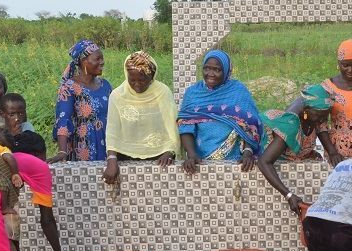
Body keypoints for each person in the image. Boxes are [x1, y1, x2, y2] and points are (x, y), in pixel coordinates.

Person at [178, 49, 263, 175]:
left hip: (236, 159)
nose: (210, 74)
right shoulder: (193, 93)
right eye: (207, 68)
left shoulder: (238, 92)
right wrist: (191, 155)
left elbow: (250, 126)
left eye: (217, 70)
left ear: (227, 71)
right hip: (200, 159)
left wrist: (247, 153)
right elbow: (185, 126)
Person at [103, 51, 179, 184]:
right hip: (125, 154)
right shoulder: (118, 95)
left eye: (142, 80)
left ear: (152, 77)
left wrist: (169, 151)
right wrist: (112, 159)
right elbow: (112, 130)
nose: (137, 84)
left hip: (159, 155)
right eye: (132, 80)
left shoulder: (163, 93)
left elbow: (171, 124)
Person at [256, 84, 335, 210]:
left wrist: (332, 152)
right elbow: (264, 162)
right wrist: (288, 195)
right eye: (319, 115)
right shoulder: (291, 125)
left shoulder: (314, 113)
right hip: (259, 152)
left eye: (326, 116)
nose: (322, 120)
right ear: (306, 110)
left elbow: (320, 127)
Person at [51, 40, 111, 162]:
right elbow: (63, 118)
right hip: (84, 146)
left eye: (102, 58)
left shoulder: (106, 85)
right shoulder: (70, 87)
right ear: (83, 61)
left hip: (109, 145)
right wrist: (62, 151)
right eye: (97, 59)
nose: (102, 62)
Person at [0, 93, 47, 159]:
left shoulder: (27, 128)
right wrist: (13, 136)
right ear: (2, 114)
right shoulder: (0, 134)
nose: (17, 118)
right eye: (12, 114)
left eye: (21, 114)